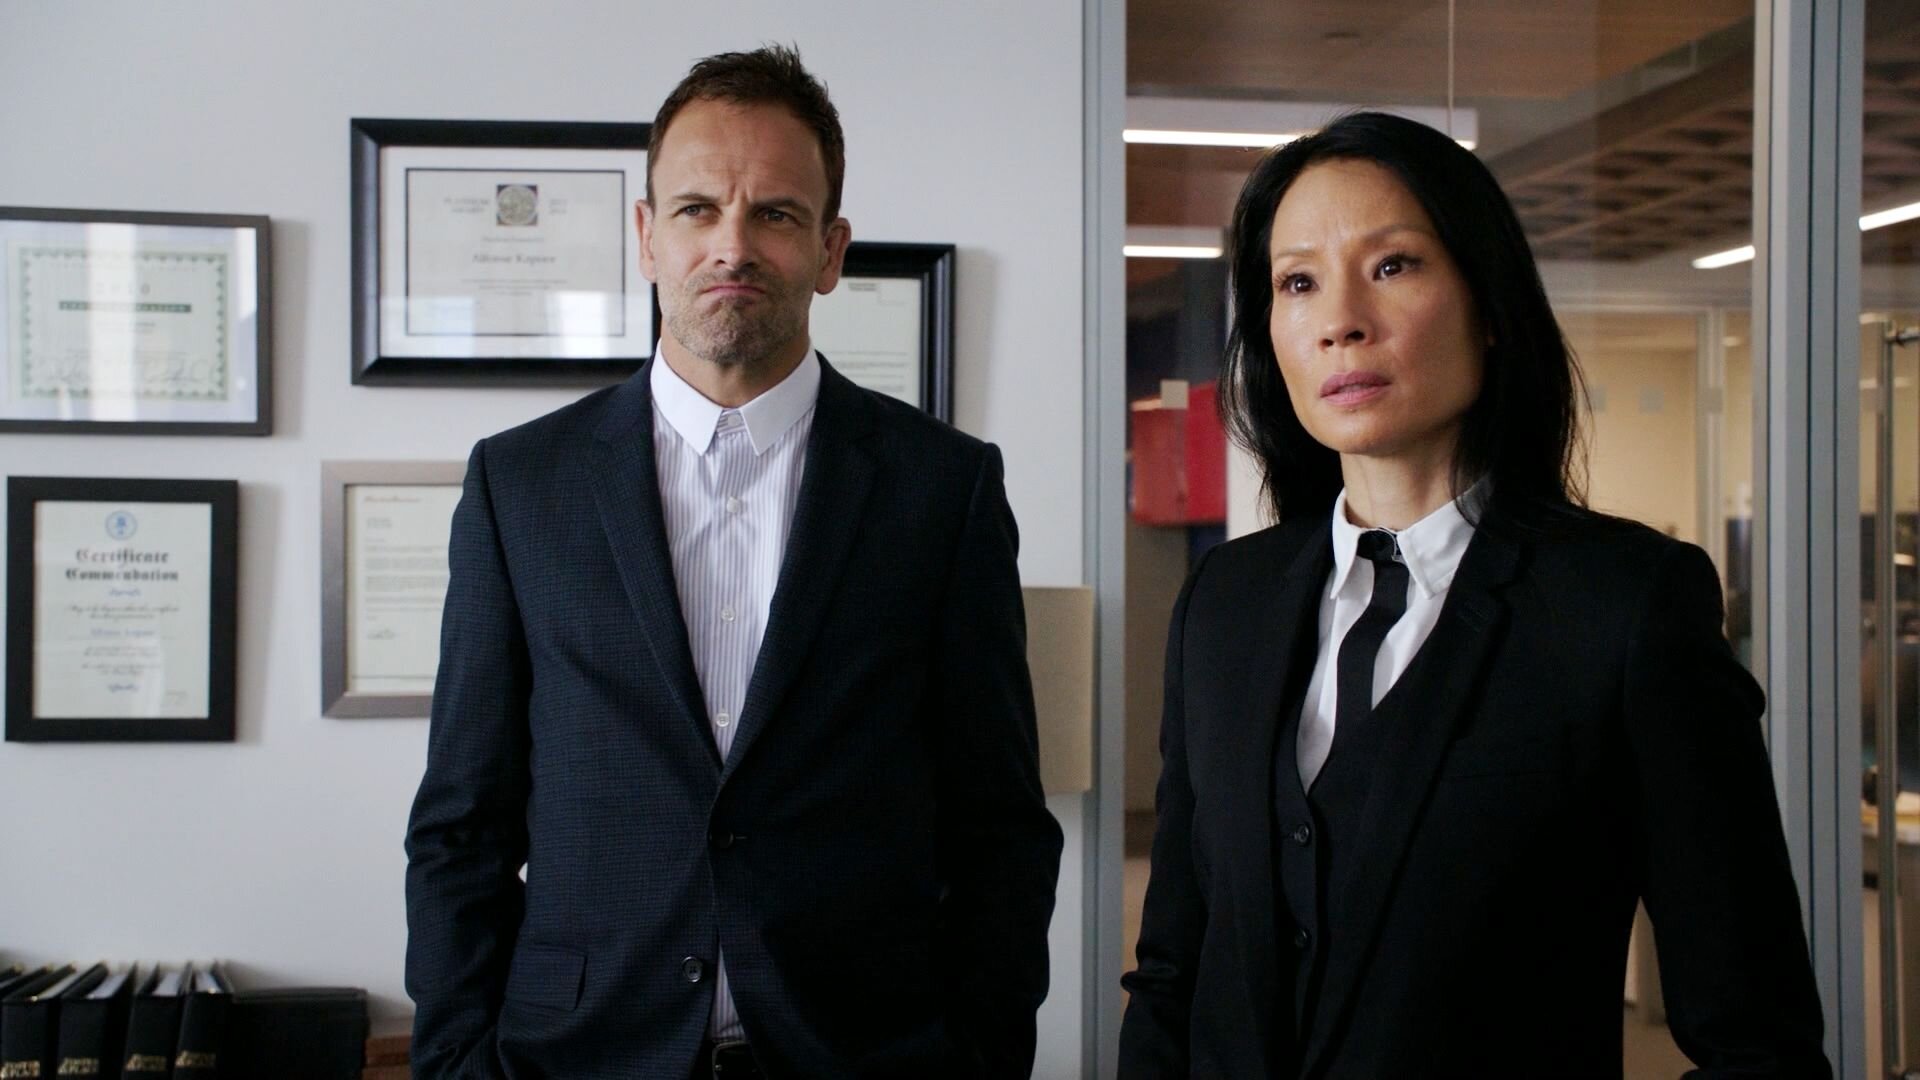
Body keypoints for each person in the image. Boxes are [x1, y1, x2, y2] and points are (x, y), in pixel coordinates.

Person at [1117, 111, 1830, 1078]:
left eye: (1393, 265)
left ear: (1489, 304)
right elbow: (1174, 969)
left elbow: (1757, 1035)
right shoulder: (1224, 603)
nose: (1340, 320)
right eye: (1298, 282)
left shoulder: (1624, 606)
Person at [404, 44, 1062, 1080]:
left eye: (776, 214)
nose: (732, 246)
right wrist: (453, 1064)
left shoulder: (944, 490)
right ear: (646, 236)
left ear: (831, 251)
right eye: (697, 209)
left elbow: (999, 827)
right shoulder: (519, 486)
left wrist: (978, 1056)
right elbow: (461, 827)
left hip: (862, 1056)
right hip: (579, 1056)